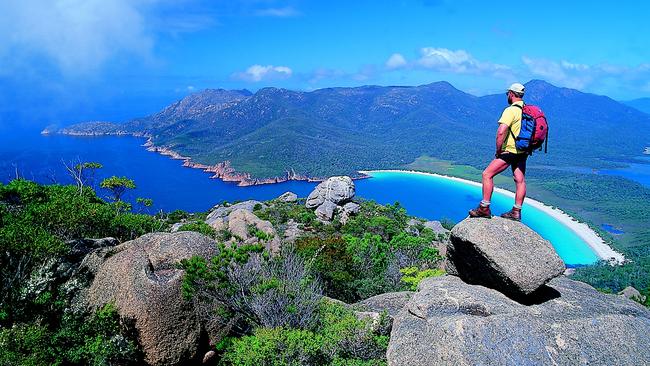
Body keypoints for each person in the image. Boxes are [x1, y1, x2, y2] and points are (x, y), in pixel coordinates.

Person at [469, 82, 528, 221]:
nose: (507, 95)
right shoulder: (527, 110)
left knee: (487, 174)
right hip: (523, 151)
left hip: (509, 151)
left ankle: (484, 208)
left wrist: (498, 150)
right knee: (520, 180)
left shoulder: (511, 110)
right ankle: (516, 211)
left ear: (512, 94)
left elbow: (501, 132)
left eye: (508, 93)